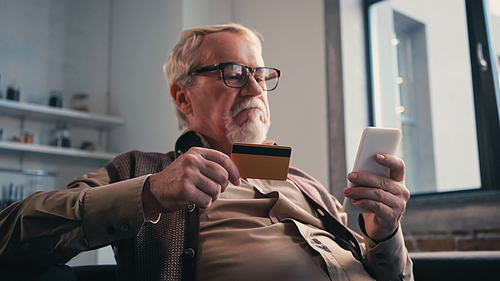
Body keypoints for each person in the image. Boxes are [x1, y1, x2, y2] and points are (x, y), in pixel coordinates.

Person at [0, 23, 413, 281]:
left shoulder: (307, 184)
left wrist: (384, 234)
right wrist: (150, 193)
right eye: (234, 74)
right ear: (183, 97)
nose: (254, 89)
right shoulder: (141, 169)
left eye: (260, 75)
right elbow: (10, 232)